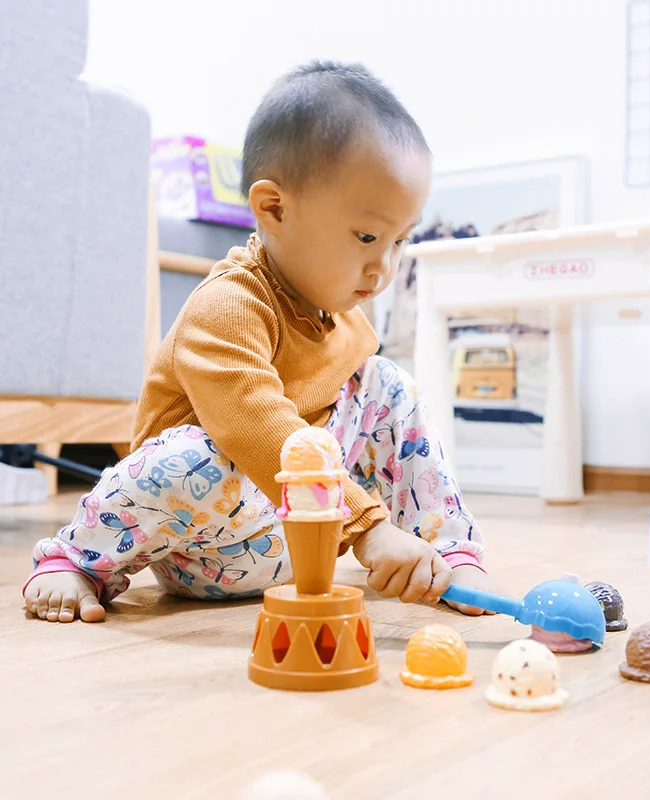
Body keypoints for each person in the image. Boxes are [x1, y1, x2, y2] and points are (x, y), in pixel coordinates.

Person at [22, 60, 502, 623]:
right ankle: (77, 558)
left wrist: (364, 520)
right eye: (368, 236)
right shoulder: (228, 305)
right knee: (196, 455)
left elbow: (358, 433)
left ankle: (445, 548)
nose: (384, 266)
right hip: (201, 544)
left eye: (399, 240)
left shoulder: (340, 311)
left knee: (387, 385)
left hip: (303, 539)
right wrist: (367, 528)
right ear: (273, 209)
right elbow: (257, 426)